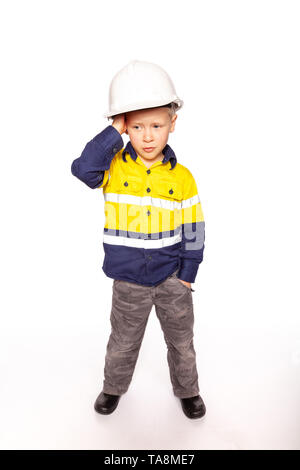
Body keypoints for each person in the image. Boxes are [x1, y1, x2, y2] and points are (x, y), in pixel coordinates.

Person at [71, 60, 206, 419]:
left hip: (172, 278)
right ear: (125, 125)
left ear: (172, 124)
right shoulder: (112, 168)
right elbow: (82, 169)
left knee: (181, 343)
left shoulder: (183, 178)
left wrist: (188, 274)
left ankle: (188, 391)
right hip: (128, 281)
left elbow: (194, 227)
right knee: (122, 343)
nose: (147, 136)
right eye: (137, 126)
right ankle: (113, 388)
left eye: (157, 125)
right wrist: (114, 130)